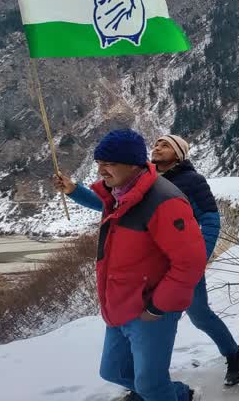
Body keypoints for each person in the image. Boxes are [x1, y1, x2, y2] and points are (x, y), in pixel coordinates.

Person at [54, 134, 239, 390]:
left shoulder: (191, 181)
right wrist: (74, 191)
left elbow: (211, 219)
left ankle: (234, 354)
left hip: (180, 263)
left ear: (179, 154)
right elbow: (109, 204)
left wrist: (200, 256)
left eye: (166, 145)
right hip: (152, 265)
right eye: (156, 143)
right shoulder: (135, 180)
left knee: (200, 316)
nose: (158, 147)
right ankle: (151, 389)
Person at [81, 129, 207, 401]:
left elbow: (190, 261)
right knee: (113, 371)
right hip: (119, 303)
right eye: (99, 163)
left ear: (133, 164)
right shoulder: (116, 195)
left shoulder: (164, 200)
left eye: (109, 163)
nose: (101, 170)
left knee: (150, 385)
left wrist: (157, 305)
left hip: (150, 309)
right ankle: (179, 395)